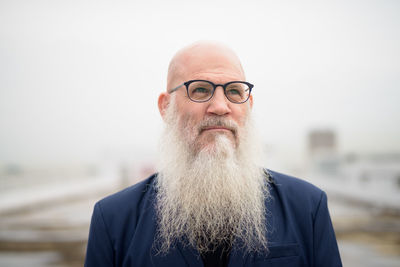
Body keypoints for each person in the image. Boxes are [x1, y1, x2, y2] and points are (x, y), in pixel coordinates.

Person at [84, 41, 342, 267]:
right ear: (166, 107)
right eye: (200, 90)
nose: (220, 107)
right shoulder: (114, 221)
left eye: (233, 91)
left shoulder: (307, 208)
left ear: (248, 106)